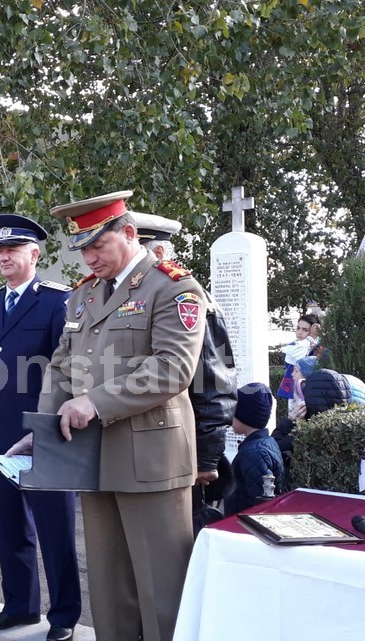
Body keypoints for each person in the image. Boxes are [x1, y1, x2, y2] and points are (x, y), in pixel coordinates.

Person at [36, 191, 206, 641]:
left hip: (152, 460)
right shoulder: (82, 294)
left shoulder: (172, 287)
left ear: (129, 233)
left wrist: (94, 402)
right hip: (94, 458)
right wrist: (44, 425)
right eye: (83, 249)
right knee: (109, 590)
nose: (90, 258)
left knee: (161, 590)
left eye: (99, 245)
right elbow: (62, 364)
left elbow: (172, 368)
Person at [0, 214, 81, 641]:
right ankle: (20, 605)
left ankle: (64, 614)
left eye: (12, 250)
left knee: (55, 530)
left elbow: (67, 372)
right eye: (0, 251)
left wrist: (49, 426)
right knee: (10, 525)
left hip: (41, 433)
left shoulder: (57, 300)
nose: (4, 257)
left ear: (34, 255)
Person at [131, 211, 238, 517]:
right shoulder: (137, 299)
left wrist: (206, 457)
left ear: (159, 253)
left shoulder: (188, 298)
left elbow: (214, 380)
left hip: (180, 445)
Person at [224, 383, 285, 516]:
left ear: (245, 416)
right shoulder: (263, 443)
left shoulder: (255, 453)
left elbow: (261, 504)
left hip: (243, 524)